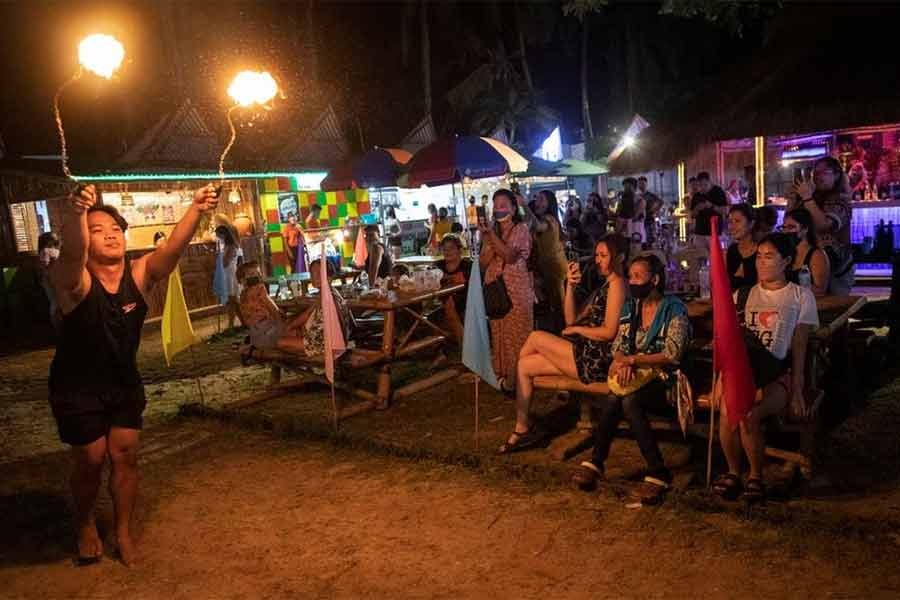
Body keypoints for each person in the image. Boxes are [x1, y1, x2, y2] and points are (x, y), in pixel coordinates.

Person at [48, 184, 218, 566]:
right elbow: (72, 253)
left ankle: (123, 531)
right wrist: (77, 214)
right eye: (97, 229)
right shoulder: (73, 282)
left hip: (123, 382)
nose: (109, 233)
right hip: (77, 387)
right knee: (91, 458)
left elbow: (171, 252)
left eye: (114, 227)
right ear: (85, 242)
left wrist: (196, 208)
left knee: (125, 455)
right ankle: (86, 522)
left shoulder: (138, 273)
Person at [571, 254, 692, 503]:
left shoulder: (674, 309)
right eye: (631, 276)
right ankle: (643, 470)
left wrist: (632, 361)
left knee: (625, 399)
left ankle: (606, 463)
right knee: (619, 396)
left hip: (666, 380)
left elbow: (672, 353)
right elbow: (619, 344)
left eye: (639, 276)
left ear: (655, 279)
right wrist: (622, 360)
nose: (633, 281)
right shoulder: (631, 307)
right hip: (636, 375)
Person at [713, 233, 819, 504]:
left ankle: (756, 476)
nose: (761, 262)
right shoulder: (742, 295)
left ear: (786, 261)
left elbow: (799, 347)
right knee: (728, 412)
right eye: (759, 256)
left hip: (776, 374)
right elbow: (726, 343)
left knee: (749, 414)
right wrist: (718, 380)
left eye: (769, 256)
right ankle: (734, 472)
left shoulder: (800, 296)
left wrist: (797, 389)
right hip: (743, 373)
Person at [499, 235, 628, 453]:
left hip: (597, 358)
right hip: (582, 352)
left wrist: (578, 330)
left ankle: (509, 385)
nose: (597, 260)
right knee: (526, 366)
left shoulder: (618, 285)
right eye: (597, 254)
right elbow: (571, 319)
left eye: (604, 255)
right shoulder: (603, 287)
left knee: (536, 337)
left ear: (621, 258)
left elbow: (609, 332)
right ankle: (522, 428)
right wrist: (570, 285)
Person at [238, 259, 349, 362]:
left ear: (329, 277)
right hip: (325, 339)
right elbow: (307, 313)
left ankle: (252, 351)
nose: (315, 277)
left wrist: (288, 324)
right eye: (313, 273)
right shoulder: (329, 292)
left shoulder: (247, 293)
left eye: (319, 273)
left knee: (282, 340)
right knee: (290, 331)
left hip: (323, 343)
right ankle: (254, 348)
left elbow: (302, 314)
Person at [479, 189, 533, 393]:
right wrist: (487, 238)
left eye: (503, 204)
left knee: (517, 336)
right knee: (499, 333)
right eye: (496, 205)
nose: (498, 209)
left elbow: (510, 256)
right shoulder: (491, 231)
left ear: (513, 207)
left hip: (516, 292)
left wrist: (491, 235)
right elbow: (483, 262)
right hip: (496, 292)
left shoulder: (521, 229)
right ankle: (504, 377)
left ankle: (520, 377)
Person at [787, 156, 854, 295]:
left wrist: (807, 198)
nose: (818, 176)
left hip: (837, 269)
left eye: (824, 172)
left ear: (836, 175)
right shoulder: (811, 197)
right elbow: (790, 223)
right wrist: (793, 200)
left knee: (834, 310)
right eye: (815, 172)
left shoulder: (841, 200)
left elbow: (824, 225)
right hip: (809, 262)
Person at [525, 190, 567, 332]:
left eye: (542, 199)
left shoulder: (549, 219)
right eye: (537, 199)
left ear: (550, 203)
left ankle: (565, 335)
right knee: (555, 305)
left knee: (559, 305)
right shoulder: (545, 219)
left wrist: (524, 204)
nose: (537, 202)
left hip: (555, 268)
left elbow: (538, 226)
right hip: (549, 267)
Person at [783, 208, 831, 297]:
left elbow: (820, 290)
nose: (786, 231)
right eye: (784, 227)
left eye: (791, 227)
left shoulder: (817, 255)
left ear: (805, 229)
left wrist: (788, 289)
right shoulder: (786, 252)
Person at [433, 234, 472, 343]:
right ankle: (441, 351)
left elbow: (465, 282)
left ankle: (464, 348)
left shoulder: (467, 265)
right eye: (444, 249)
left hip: (466, 303)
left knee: (449, 306)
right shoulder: (438, 265)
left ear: (459, 250)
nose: (447, 252)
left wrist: (446, 278)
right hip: (444, 301)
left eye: (451, 248)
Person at [213, 224, 242, 329]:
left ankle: (231, 324)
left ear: (224, 235)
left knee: (232, 300)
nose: (218, 238)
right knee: (234, 301)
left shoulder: (231, 247)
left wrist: (220, 256)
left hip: (231, 275)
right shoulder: (225, 246)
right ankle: (242, 322)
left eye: (219, 235)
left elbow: (225, 262)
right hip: (227, 275)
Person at [690, 171, 728, 248]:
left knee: (716, 258)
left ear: (709, 182)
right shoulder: (697, 195)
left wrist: (711, 206)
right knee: (699, 257)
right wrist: (697, 209)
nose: (702, 188)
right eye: (700, 185)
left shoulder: (718, 192)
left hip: (715, 233)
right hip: (699, 233)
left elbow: (725, 211)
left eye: (705, 185)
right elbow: (692, 215)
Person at [726, 204, 759, 291]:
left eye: (737, 221)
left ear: (751, 223)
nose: (732, 227)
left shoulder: (762, 251)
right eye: (730, 222)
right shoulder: (732, 250)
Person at [38, 231, 62, 329]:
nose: (56, 239)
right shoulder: (45, 251)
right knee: (55, 302)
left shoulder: (52, 250)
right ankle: (57, 326)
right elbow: (45, 266)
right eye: (54, 238)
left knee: (57, 302)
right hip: (51, 279)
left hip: (57, 279)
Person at [615, 178, 646, 248]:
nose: (625, 189)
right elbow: (618, 213)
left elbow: (635, 216)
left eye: (627, 187)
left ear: (633, 187)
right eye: (625, 187)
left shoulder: (640, 200)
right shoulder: (623, 200)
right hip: (625, 234)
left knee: (635, 253)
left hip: (636, 233)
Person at [638, 176, 663, 245]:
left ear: (646, 184)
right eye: (640, 184)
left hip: (649, 220)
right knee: (642, 239)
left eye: (643, 183)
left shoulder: (650, 195)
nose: (641, 185)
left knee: (650, 239)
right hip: (640, 221)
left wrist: (654, 210)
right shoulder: (637, 196)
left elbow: (660, 202)